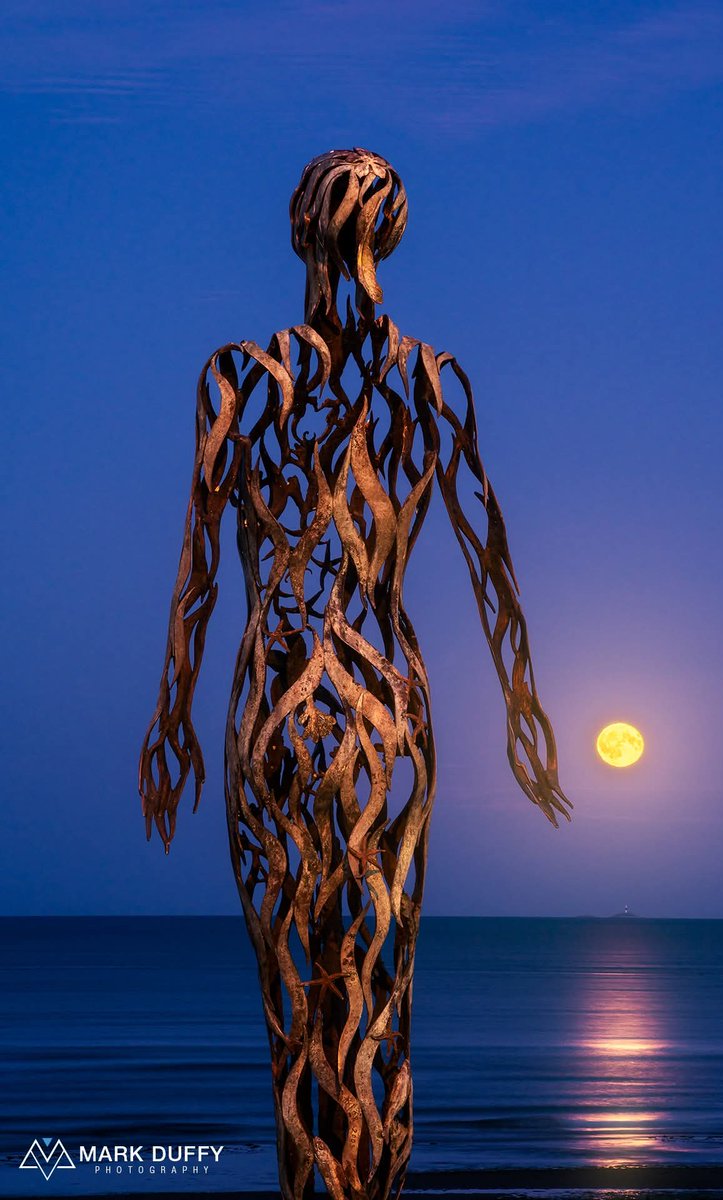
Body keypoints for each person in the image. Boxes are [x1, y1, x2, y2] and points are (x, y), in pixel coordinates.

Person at [139, 147, 571, 1200]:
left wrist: (173, 722)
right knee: (379, 986)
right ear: (392, 235)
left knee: (300, 991)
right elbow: (487, 561)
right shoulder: (427, 379)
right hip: (381, 709)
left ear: (298, 230)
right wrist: (524, 720)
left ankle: (318, 1179)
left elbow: (199, 572)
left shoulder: (237, 376)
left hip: (281, 705)